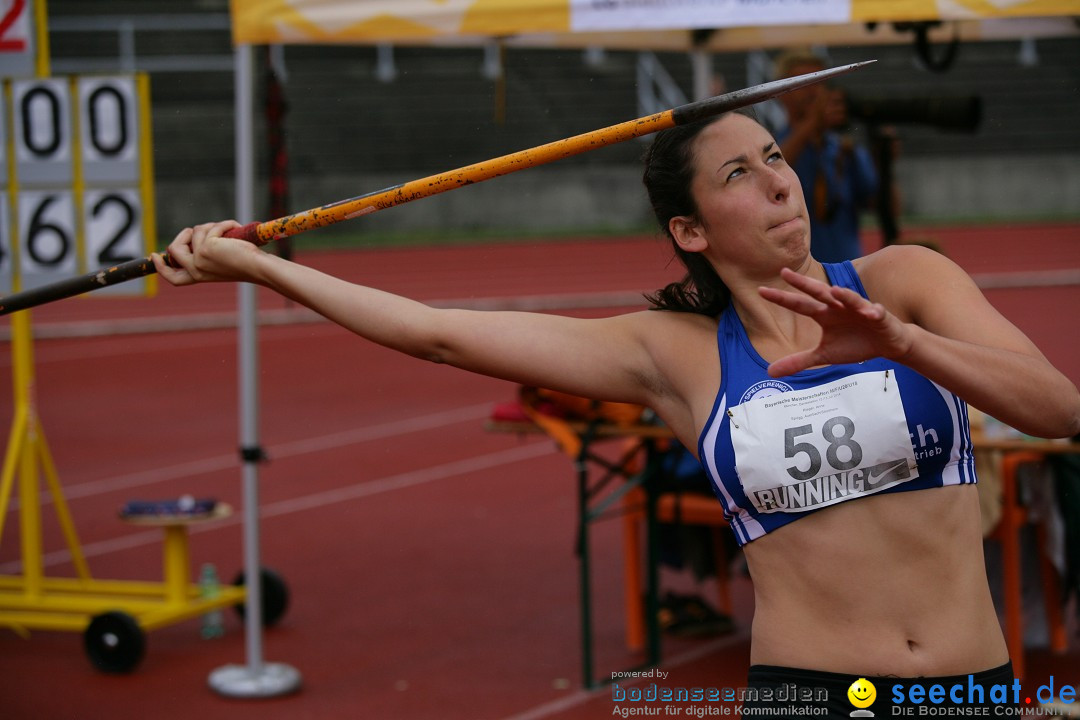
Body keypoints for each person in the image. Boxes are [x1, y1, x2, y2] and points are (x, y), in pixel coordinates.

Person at [153, 108, 1080, 715]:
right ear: (690, 231)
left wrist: (903, 345)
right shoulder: (669, 354)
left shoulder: (906, 281)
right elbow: (438, 334)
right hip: (812, 691)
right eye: (737, 176)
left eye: (774, 159)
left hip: (969, 688)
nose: (777, 183)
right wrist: (261, 267)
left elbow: (1059, 409)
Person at [772, 50, 879, 262]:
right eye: (804, 82)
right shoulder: (772, 147)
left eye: (819, 81)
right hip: (795, 273)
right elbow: (774, 170)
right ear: (781, 92)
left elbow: (878, 204)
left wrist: (885, 160)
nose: (814, 91)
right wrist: (812, 123)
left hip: (846, 269)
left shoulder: (844, 149)